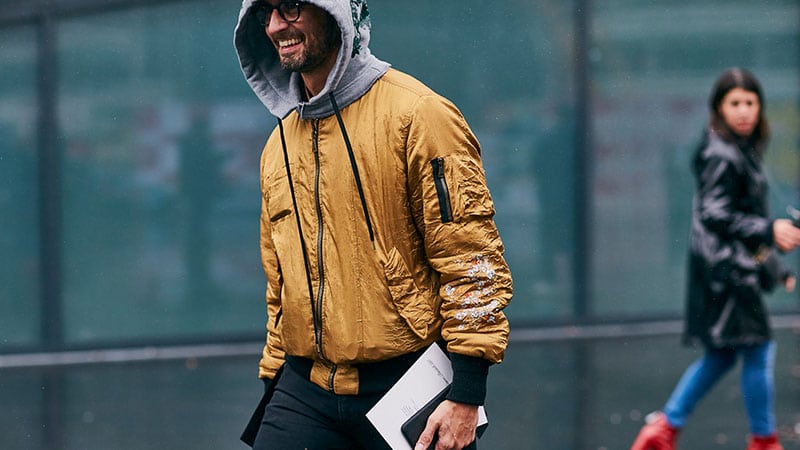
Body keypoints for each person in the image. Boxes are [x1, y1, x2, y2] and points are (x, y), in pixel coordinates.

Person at [233, 1, 513, 449]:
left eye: (289, 7)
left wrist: (466, 394)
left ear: (336, 12)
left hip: (407, 389)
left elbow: (470, 257)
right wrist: (273, 377)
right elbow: (281, 280)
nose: (273, 26)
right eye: (264, 12)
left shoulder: (420, 116)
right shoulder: (279, 142)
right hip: (304, 390)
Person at [629, 68, 800, 450]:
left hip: (727, 270)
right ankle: (764, 441)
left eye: (751, 102)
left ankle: (664, 428)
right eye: (735, 103)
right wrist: (770, 230)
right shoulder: (723, 153)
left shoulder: (738, 150)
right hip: (728, 273)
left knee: (722, 355)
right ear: (719, 109)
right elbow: (715, 215)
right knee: (757, 348)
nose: (744, 111)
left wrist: (774, 266)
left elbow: (737, 222)